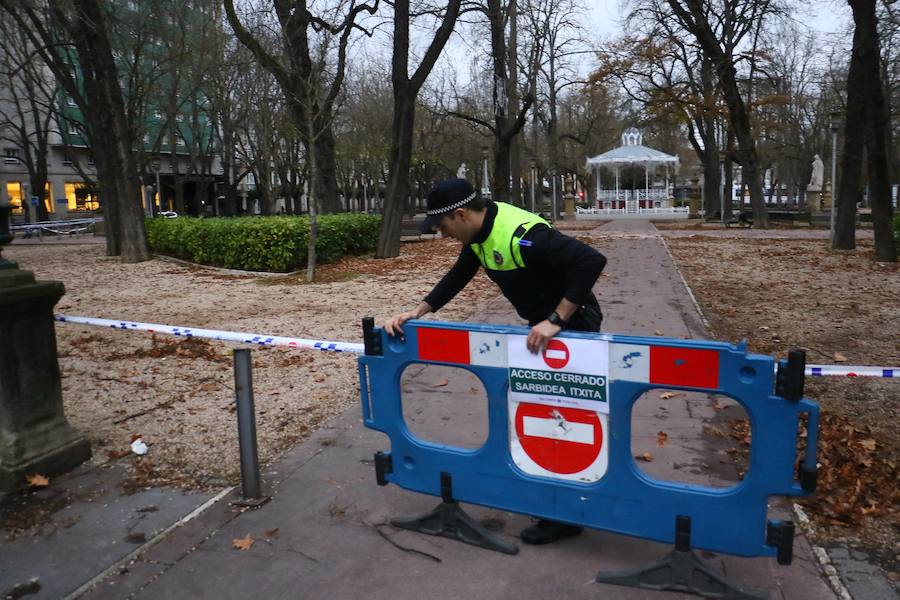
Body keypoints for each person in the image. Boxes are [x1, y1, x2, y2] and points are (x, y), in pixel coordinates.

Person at [385, 177, 607, 545]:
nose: (442, 235)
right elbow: (459, 275)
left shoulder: (522, 234)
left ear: (459, 214)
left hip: (573, 326)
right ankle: (560, 504)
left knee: (566, 415)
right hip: (544, 329)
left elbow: (591, 260)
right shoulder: (478, 236)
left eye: (442, 228)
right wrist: (417, 311)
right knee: (547, 413)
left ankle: (567, 512)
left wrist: (556, 320)